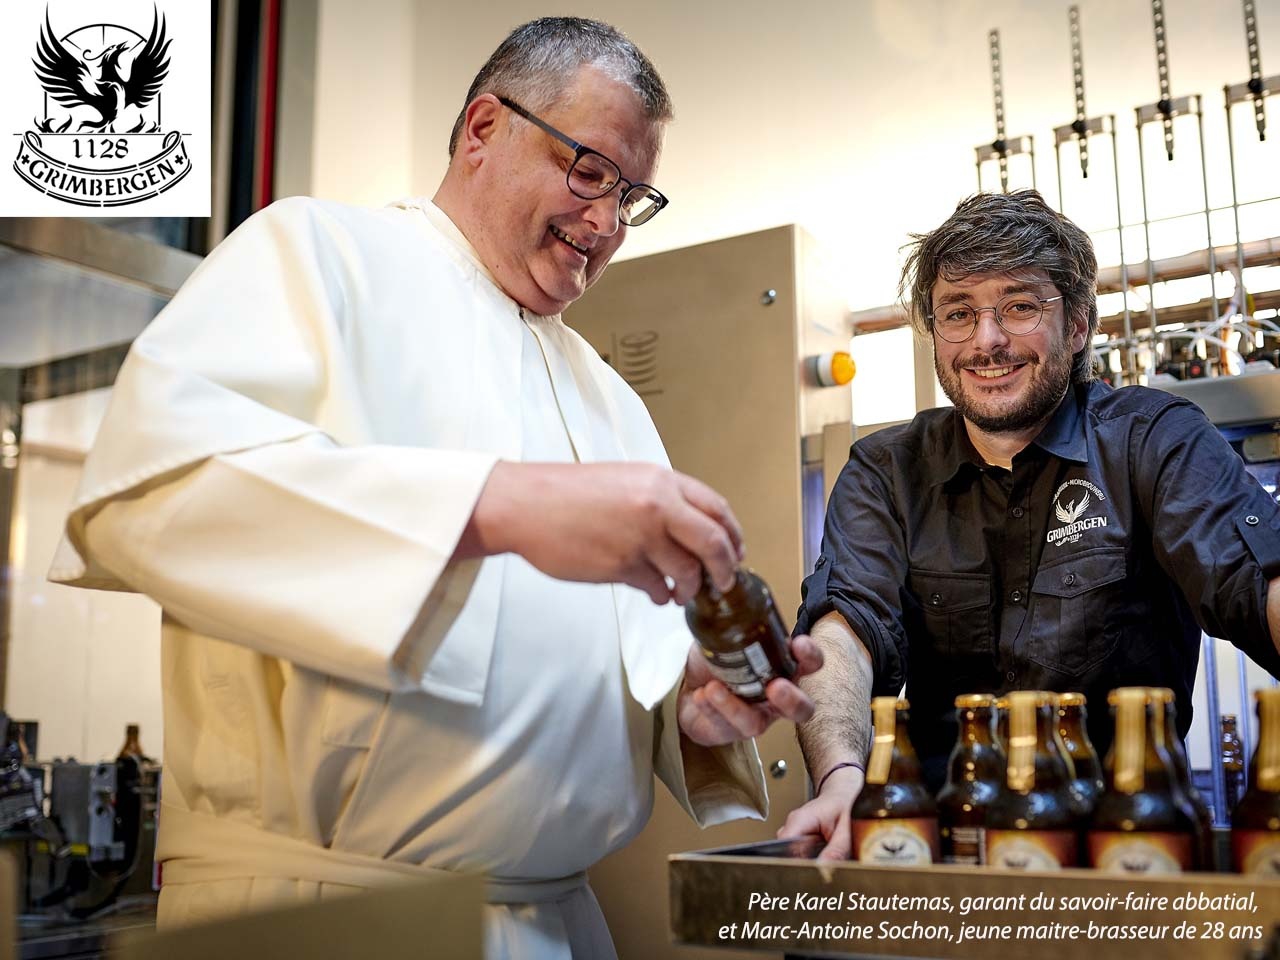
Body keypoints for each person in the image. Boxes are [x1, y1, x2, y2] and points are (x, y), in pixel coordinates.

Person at [48, 17, 821, 958]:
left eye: (633, 196)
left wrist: (689, 705)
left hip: (561, 922)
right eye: (589, 172)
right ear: (483, 129)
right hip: (330, 921)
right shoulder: (318, 256)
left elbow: (623, 663)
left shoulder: (609, 398)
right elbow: (153, 497)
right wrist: (494, 507)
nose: (609, 225)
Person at [780, 189, 1280, 859]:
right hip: (939, 855)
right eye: (958, 313)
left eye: (1018, 306)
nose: (986, 341)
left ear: (1076, 325)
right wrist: (842, 778)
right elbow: (844, 630)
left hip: (1121, 854)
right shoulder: (886, 470)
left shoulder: (1153, 442)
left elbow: (1255, 585)